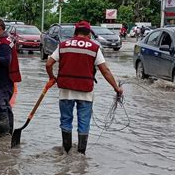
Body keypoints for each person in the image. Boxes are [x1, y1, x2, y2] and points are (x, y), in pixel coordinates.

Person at [45, 20, 123, 155]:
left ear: (75, 32)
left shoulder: (63, 45)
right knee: (84, 122)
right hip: (85, 91)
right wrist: (116, 88)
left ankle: (66, 150)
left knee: (66, 120)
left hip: (66, 89)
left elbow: (48, 64)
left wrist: (52, 78)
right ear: (89, 34)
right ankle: (81, 153)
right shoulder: (94, 47)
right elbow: (105, 71)